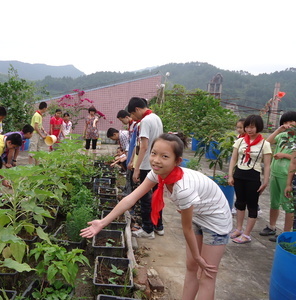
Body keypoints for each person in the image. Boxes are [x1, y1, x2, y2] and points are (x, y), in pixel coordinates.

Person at [81, 133, 232, 300]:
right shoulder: (157, 174)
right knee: (191, 267)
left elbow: (186, 228)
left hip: (216, 221)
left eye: (164, 156)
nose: (156, 160)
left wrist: (198, 256)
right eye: (154, 153)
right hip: (199, 214)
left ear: (177, 161)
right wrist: (102, 222)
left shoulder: (183, 189)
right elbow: (131, 198)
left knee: (206, 275)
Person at [228, 115, 272, 244]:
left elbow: (267, 164)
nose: (249, 129)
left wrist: (265, 181)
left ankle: (247, 235)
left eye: (252, 127)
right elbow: (234, 159)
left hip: (253, 177)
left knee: (252, 206)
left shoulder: (265, 144)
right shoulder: (240, 141)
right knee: (240, 203)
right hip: (239, 175)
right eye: (247, 126)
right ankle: (239, 229)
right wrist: (230, 175)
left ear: (258, 127)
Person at [127, 97, 163, 239]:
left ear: (137, 109)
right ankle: (158, 226)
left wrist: (137, 168)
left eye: (132, 114)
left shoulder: (145, 121)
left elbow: (143, 146)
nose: (133, 118)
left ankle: (148, 229)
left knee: (144, 197)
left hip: (146, 165)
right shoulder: (156, 118)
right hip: (157, 164)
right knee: (157, 196)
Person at [259, 111, 296, 242]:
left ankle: (286, 233)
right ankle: (272, 226)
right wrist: (279, 130)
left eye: (291, 121)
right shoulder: (282, 136)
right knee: (274, 202)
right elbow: (266, 143)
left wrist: (284, 155)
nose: (288, 125)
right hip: (275, 173)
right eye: (285, 122)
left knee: (288, 206)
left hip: (288, 177)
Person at [117, 110, 137, 196]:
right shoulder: (131, 125)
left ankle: (128, 192)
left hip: (133, 153)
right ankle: (127, 189)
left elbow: (135, 142)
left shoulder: (135, 125)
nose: (122, 122)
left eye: (122, 120)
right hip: (130, 152)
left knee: (130, 173)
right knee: (128, 174)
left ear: (126, 117)